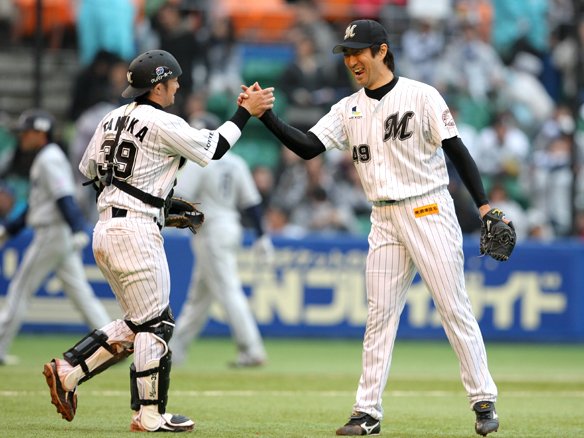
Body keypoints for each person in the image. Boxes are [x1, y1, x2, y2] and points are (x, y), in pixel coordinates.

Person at [241, 19, 502, 437]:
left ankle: (483, 399)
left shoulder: (421, 95)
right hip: (382, 218)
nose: (351, 61)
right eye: (346, 54)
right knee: (379, 317)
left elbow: (457, 150)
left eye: (358, 52)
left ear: (382, 51)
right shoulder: (348, 108)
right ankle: (366, 412)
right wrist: (266, 116)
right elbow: (308, 147)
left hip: (428, 208)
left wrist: (485, 206)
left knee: (453, 307)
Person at [41, 49, 274, 432]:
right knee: (157, 325)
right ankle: (149, 414)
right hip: (135, 230)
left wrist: (153, 201)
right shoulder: (162, 120)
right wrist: (244, 112)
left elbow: (90, 172)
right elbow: (215, 147)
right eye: (173, 80)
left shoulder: (110, 118)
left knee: (140, 323)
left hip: (106, 226)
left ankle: (69, 370)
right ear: (159, 85)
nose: (178, 86)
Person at [0, 109, 110, 365]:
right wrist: (10, 230)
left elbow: (64, 197)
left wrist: (77, 228)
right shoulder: (46, 157)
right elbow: (38, 203)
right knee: (81, 293)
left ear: (41, 133)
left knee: (19, 290)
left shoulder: (49, 158)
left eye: (27, 132)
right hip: (57, 232)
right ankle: (111, 343)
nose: (22, 137)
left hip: (52, 233)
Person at [169, 150, 273, 368]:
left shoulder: (201, 160)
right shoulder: (237, 162)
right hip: (230, 227)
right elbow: (252, 203)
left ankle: (252, 349)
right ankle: (174, 351)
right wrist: (261, 235)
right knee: (199, 298)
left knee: (228, 290)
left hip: (211, 232)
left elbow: (181, 195)